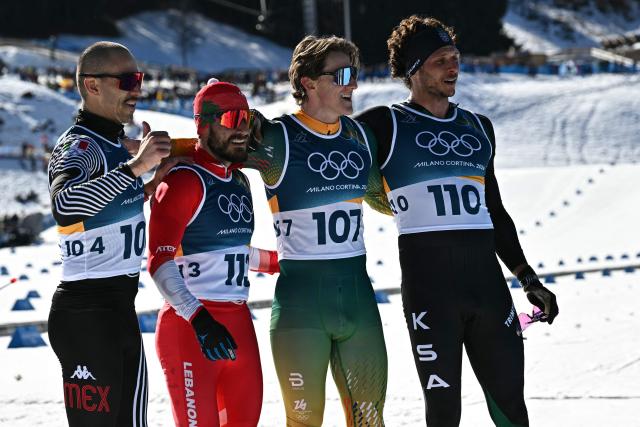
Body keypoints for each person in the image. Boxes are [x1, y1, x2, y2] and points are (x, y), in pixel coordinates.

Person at [354, 16, 559, 427]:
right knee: (444, 414)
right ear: (413, 70)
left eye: (455, 58)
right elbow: (323, 153)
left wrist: (528, 278)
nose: (452, 68)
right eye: (439, 60)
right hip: (431, 294)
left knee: (512, 410)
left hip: (488, 290)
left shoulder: (478, 128)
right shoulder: (382, 124)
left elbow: (495, 212)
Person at [246, 36, 389, 426]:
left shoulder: (360, 138)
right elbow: (212, 148)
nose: (353, 85)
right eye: (342, 75)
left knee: (371, 421)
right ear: (308, 82)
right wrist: (149, 153)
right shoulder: (278, 138)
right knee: (304, 422)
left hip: (357, 298)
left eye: (355, 75)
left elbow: (387, 199)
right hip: (300, 307)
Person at [47, 41, 172, 427]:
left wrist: (148, 186)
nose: (137, 88)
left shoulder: (113, 145)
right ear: (93, 86)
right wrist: (136, 169)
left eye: (139, 79)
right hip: (87, 311)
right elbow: (64, 205)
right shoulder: (81, 145)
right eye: (127, 80)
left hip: (117, 308)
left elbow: (106, 208)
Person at [148, 80, 279, 427]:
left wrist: (280, 262)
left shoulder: (239, 182)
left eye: (247, 120)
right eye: (232, 119)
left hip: (238, 322)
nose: (242, 130)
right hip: (189, 329)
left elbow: (232, 253)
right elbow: (158, 262)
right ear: (203, 125)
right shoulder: (182, 181)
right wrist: (199, 319)